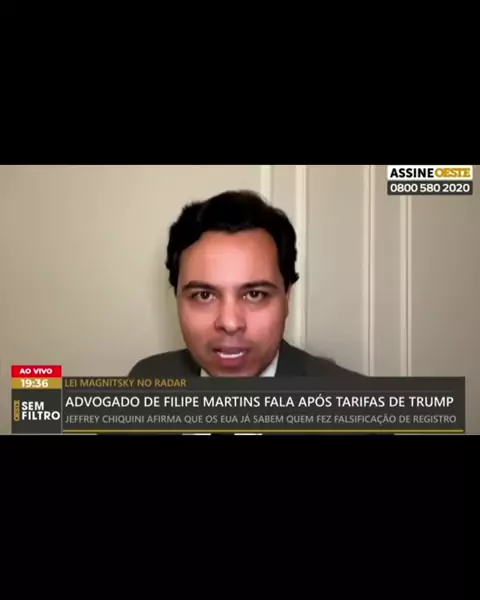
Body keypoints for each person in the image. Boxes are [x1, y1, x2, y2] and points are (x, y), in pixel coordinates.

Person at [128, 189, 364, 381]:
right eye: (204, 295)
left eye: (254, 294)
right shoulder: (147, 380)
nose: (230, 323)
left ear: (286, 296)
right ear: (177, 297)